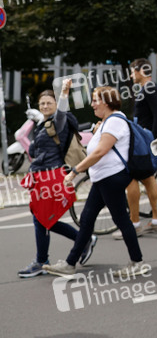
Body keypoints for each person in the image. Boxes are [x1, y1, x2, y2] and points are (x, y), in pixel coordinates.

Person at [44, 86, 146, 278]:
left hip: (111, 177)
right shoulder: (108, 121)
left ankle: (137, 262)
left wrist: (75, 171)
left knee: (121, 220)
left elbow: (100, 152)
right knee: (87, 219)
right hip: (102, 179)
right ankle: (70, 263)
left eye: (96, 100)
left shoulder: (115, 121)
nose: (92, 105)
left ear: (107, 102)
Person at [18, 84, 96, 278]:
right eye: (42, 103)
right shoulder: (43, 124)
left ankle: (42, 260)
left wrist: (64, 94)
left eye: (49, 103)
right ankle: (82, 240)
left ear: (56, 105)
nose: (45, 106)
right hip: (41, 176)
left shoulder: (59, 121)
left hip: (52, 176)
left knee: (41, 219)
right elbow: (33, 150)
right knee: (44, 219)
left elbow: (61, 111)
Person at [124, 59, 157, 236]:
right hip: (145, 140)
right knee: (148, 179)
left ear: (141, 71)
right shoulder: (146, 88)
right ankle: (156, 220)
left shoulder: (150, 88)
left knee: (134, 177)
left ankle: (136, 223)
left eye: (133, 71)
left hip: (146, 141)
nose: (131, 75)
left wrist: (155, 142)